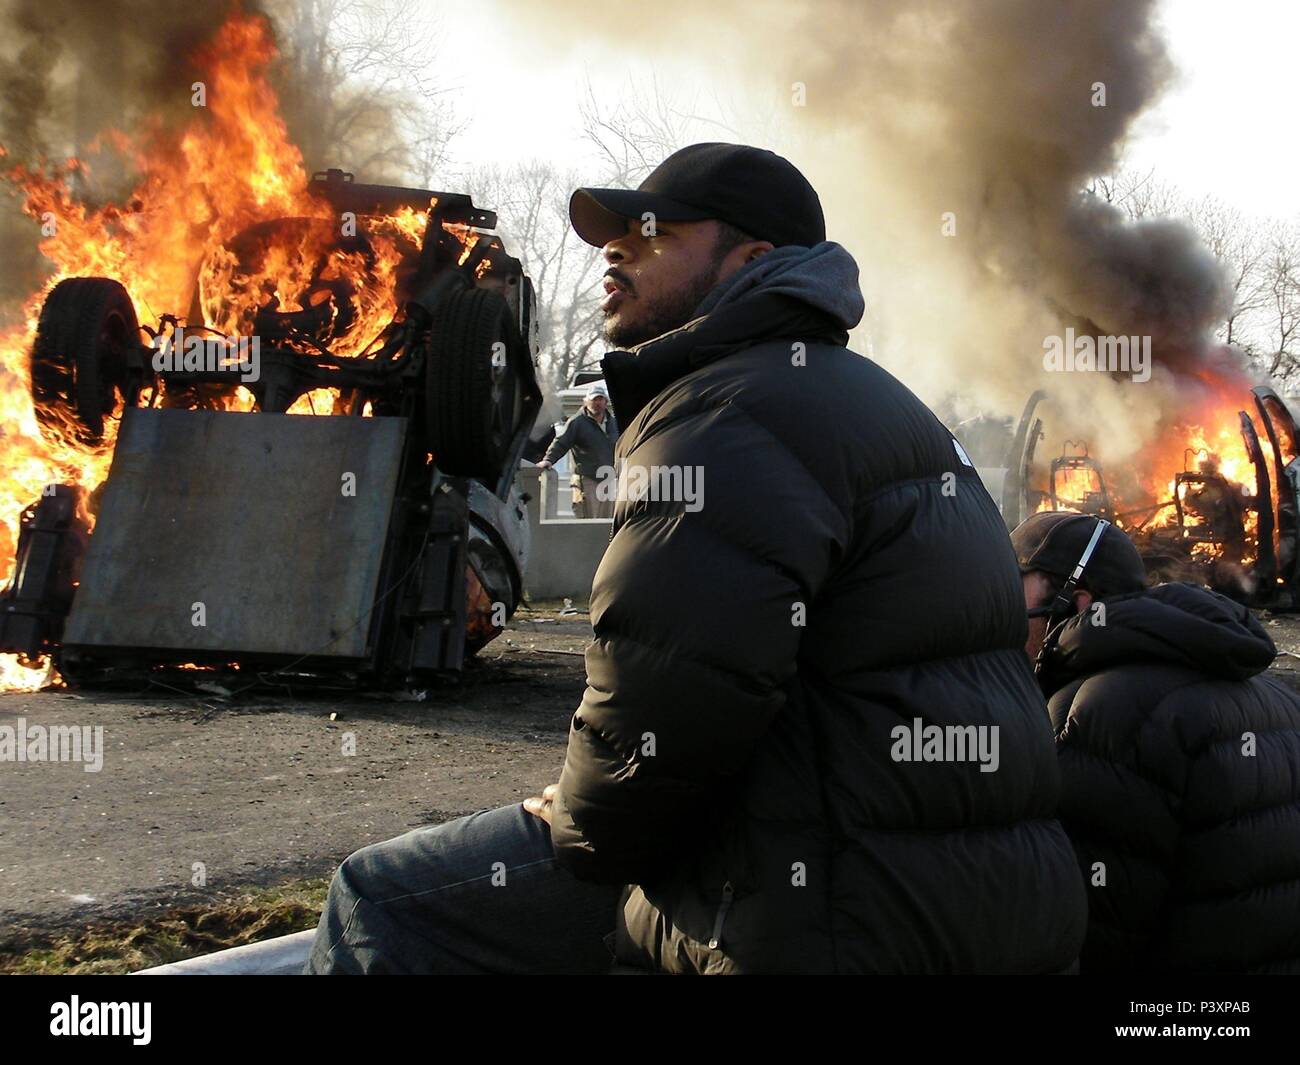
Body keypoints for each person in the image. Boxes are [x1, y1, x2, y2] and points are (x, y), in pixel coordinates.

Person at [306, 142, 1086, 975]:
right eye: (612, 234)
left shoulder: (727, 416)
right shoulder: (879, 408)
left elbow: (660, 722)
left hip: (830, 911)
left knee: (377, 893)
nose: (614, 248)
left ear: (751, 260)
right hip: (968, 903)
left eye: (652, 232)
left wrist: (573, 813)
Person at [1014, 511, 1300, 973]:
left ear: (1077, 601)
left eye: (1016, 589)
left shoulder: (1098, 715)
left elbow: (1096, 930)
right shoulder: (1275, 696)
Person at [537, 382, 619, 518]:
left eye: (600, 399)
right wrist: (548, 460)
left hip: (610, 479)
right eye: (594, 400)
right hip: (587, 479)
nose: (597, 403)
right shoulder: (577, 422)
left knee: (608, 523)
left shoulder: (614, 423)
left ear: (606, 402)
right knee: (589, 519)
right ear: (586, 402)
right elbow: (561, 443)